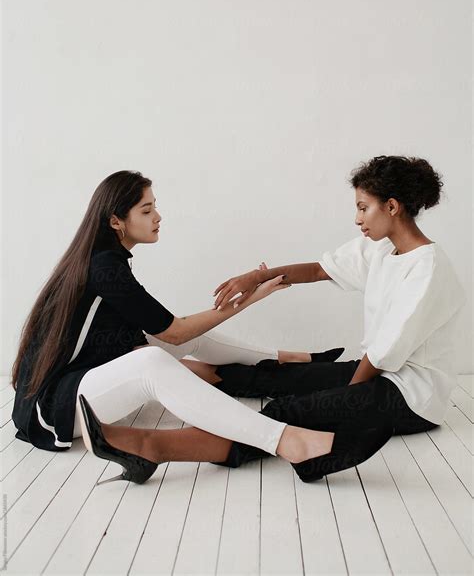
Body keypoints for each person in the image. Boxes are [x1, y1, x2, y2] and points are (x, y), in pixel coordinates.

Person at [75, 154, 464, 485]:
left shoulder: (428, 269)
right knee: (279, 379)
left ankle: (152, 448)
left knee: (287, 410)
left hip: (411, 396)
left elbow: (381, 357)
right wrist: (257, 276)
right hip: (379, 373)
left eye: (363, 207)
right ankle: (212, 381)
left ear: (392, 207)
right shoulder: (382, 251)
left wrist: (337, 401)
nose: (357, 218)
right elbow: (317, 270)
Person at [12, 170, 381, 486]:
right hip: (52, 409)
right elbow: (175, 333)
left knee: (167, 341)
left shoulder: (105, 260)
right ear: (115, 221)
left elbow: (168, 330)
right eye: (147, 209)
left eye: (155, 206)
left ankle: (289, 359)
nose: (158, 216)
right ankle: (290, 443)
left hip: (80, 382)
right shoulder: (105, 267)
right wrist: (251, 299)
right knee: (154, 360)